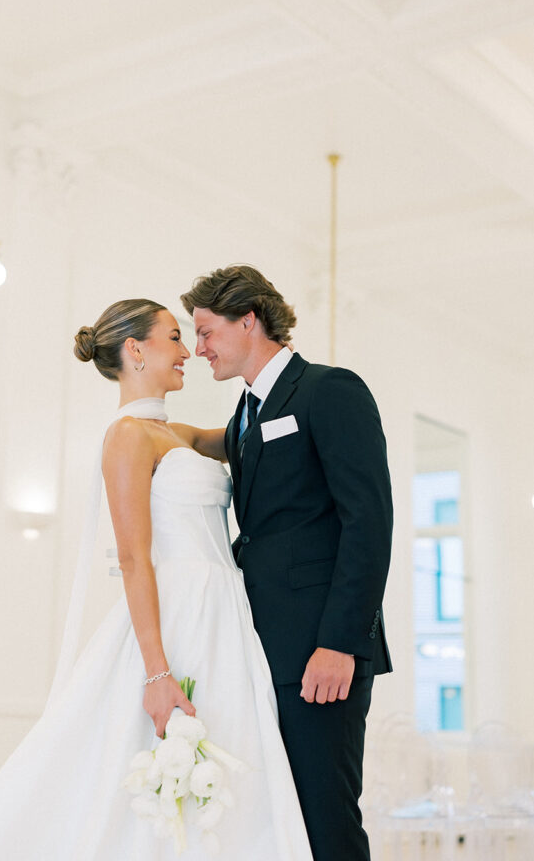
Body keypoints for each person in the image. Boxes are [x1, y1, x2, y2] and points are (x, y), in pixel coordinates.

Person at [0, 298, 311, 860]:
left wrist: (287, 376)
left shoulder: (176, 433)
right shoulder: (126, 437)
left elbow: (248, 432)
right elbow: (134, 558)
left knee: (236, 768)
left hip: (227, 614)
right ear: (135, 349)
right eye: (175, 338)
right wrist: (157, 671)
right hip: (176, 616)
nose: (188, 351)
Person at [181, 265, 393, 861]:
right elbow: (225, 447)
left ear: (248, 321)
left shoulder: (330, 390)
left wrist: (341, 643)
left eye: (205, 332)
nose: (199, 350)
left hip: (319, 652)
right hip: (258, 645)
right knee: (279, 821)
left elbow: (368, 523)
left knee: (325, 819)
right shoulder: (246, 413)